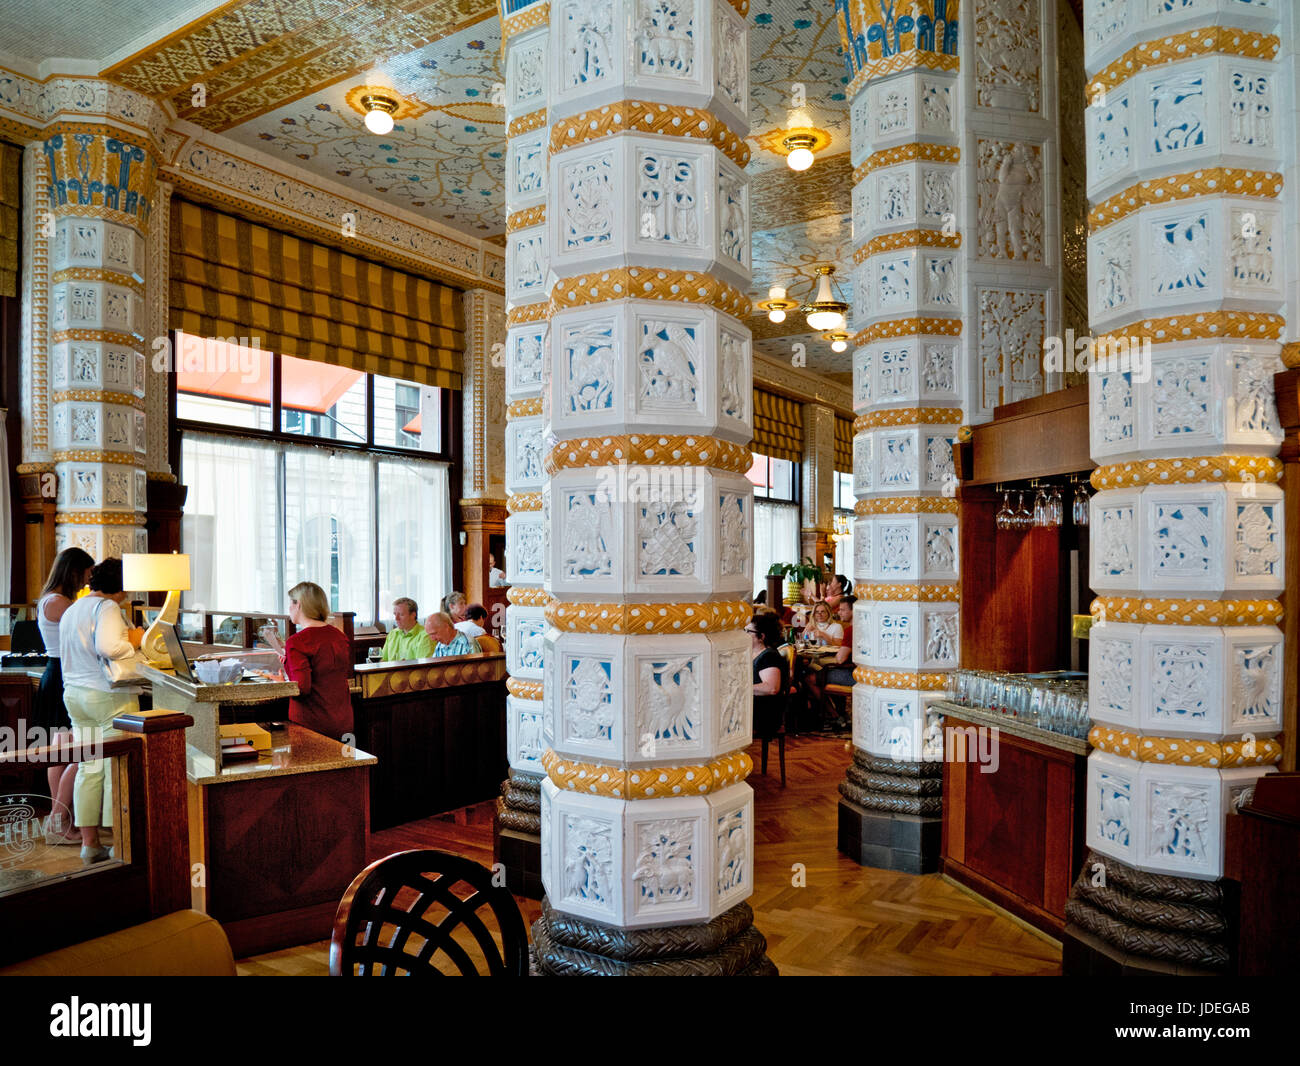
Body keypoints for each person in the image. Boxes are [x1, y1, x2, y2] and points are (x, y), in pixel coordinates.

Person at [59, 558, 146, 865]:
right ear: (119, 585)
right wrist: (133, 642)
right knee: (115, 768)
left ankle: (90, 843)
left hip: (74, 694)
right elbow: (109, 647)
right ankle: (120, 842)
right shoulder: (108, 608)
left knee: (89, 767)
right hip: (106, 694)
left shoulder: (74, 608)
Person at [35, 547, 95, 845]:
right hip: (63, 675)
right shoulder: (59, 603)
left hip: (57, 673)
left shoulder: (51, 599)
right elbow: (88, 631)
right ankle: (58, 820)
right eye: (85, 575)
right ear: (73, 572)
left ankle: (60, 819)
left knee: (60, 753)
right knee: (75, 753)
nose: (86, 582)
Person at [279, 581, 353, 742]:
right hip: (343, 721)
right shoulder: (339, 636)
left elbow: (302, 687)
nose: (289, 609)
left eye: (290, 604)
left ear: (298, 604)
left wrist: (281, 680)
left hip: (312, 725)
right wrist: (288, 662)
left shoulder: (297, 642)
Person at [749, 611, 789, 740]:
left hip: (764, 714)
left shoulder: (769, 656)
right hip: (753, 707)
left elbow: (771, 688)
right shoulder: (751, 654)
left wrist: (741, 687)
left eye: (748, 632)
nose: (744, 635)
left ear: (762, 636)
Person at [380, 597, 433, 661]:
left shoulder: (425, 636)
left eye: (401, 614)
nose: (396, 618)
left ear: (413, 615)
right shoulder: (392, 634)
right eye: (395, 614)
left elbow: (423, 668)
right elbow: (383, 660)